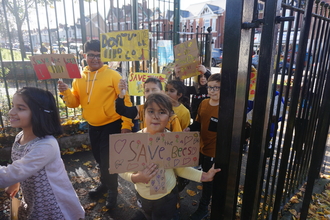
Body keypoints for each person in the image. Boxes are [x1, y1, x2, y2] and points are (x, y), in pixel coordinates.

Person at [119, 93, 221, 220]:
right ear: (143, 114)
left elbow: (180, 168)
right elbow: (122, 170)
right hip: (143, 196)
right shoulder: (134, 141)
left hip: (167, 197)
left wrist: (203, 176)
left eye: (162, 112)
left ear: (169, 117)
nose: (156, 116)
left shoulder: (173, 141)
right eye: (151, 111)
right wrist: (136, 177)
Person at [57, 39, 133, 210]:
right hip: (93, 125)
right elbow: (74, 103)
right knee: (99, 158)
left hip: (112, 123)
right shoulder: (79, 78)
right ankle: (104, 184)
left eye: (99, 55)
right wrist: (65, 92)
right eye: (91, 55)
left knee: (107, 160)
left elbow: (126, 101)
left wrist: (126, 125)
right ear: (85, 56)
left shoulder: (113, 75)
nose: (95, 58)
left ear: (104, 57)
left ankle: (112, 191)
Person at [0, 87, 85, 219]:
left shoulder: (46, 145)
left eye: (20, 108)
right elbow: (19, 164)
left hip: (50, 202)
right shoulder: (20, 137)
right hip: (32, 196)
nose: (11, 112)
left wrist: (11, 178)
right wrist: (14, 183)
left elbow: (16, 171)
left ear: (39, 113)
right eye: (13, 106)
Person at [184, 73, 221, 220]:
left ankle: (203, 208)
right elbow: (198, 124)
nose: (212, 90)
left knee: (208, 182)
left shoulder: (226, 107)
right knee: (194, 173)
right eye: (210, 87)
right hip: (201, 147)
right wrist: (189, 129)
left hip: (214, 151)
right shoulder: (204, 103)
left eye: (216, 88)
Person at [116, 77, 182, 132]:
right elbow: (122, 110)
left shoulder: (172, 116)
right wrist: (121, 95)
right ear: (144, 93)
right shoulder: (142, 109)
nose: (150, 93)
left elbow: (178, 139)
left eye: (154, 90)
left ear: (162, 92)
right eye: (147, 90)